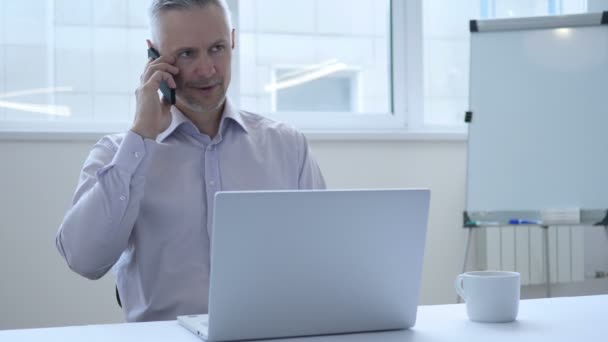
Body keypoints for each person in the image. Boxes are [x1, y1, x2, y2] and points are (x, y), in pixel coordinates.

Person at [55, 0, 325, 322]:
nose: (207, 69)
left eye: (217, 48)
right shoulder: (118, 154)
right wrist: (140, 136)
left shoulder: (286, 146)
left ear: (233, 41)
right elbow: (83, 259)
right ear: (153, 57)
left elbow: (324, 259)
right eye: (186, 54)